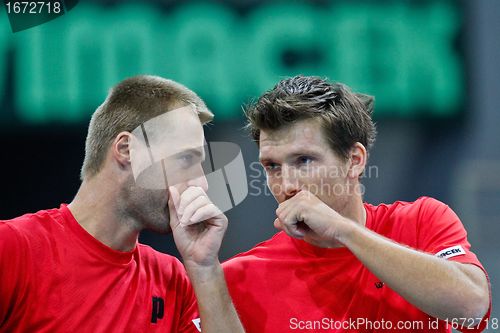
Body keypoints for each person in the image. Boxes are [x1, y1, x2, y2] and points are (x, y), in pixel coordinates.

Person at [222, 75, 491, 333]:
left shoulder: (422, 221)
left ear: (355, 160)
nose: (287, 184)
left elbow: (473, 309)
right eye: (272, 166)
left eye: (304, 160)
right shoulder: (239, 277)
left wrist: (343, 231)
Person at [0, 75, 245, 333]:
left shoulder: (173, 280)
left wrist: (206, 268)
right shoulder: (14, 249)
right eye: (185, 159)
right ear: (127, 150)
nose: (202, 185)